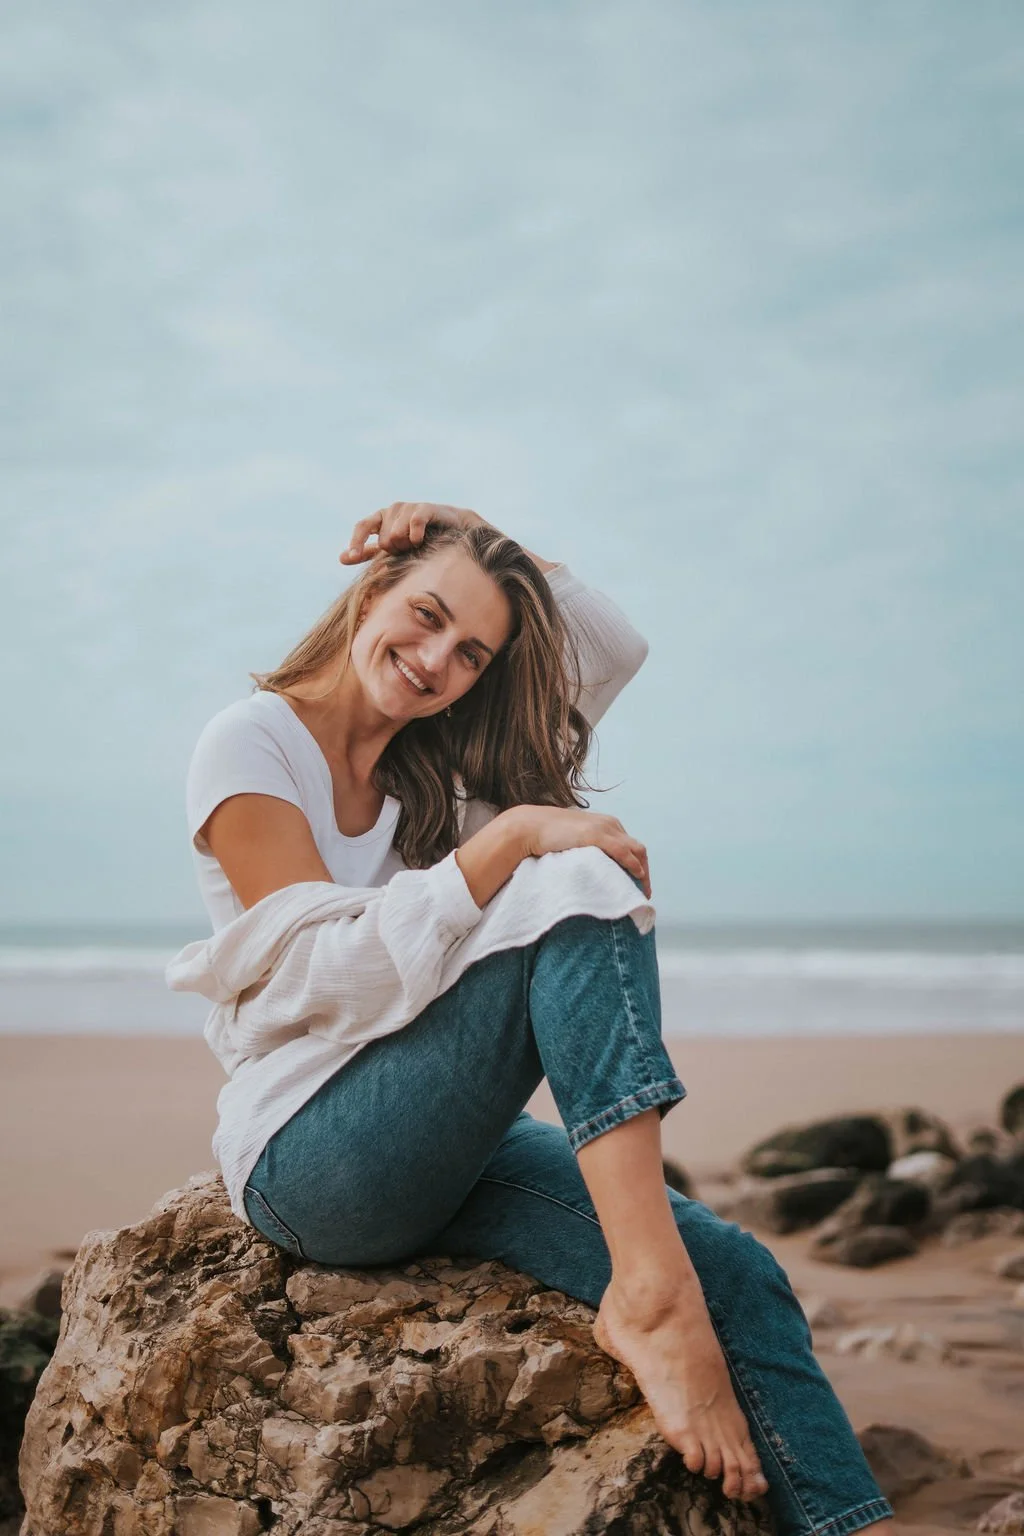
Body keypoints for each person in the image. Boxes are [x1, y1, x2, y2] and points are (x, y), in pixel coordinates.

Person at [174, 502, 894, 1534]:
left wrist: (481, 536)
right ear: (369, 589)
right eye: (423, 616)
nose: (435, 662)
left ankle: (846, 1522)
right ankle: (647, 1293)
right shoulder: (251, 743)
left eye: (470, 653)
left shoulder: (440, 767)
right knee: (574, 875)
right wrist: (508, 840)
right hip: (311, 1160)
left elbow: (611, 649)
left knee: (734, 1270)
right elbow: (321, 976)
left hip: (438, 1141)